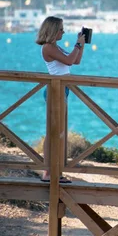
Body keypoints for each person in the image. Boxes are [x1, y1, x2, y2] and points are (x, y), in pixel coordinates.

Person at [36, 16, 85, 183]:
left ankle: (53, 171)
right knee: (54, 132)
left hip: (62, 90)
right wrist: (77, 44)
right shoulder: (48, 47)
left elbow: (75, 61)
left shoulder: (55, 47)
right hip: (55, 90)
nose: (63, 32)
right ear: (53, 31)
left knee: (59, 132)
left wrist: (81, 44)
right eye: (61, 29)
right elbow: (70, 59)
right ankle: (48, 173)